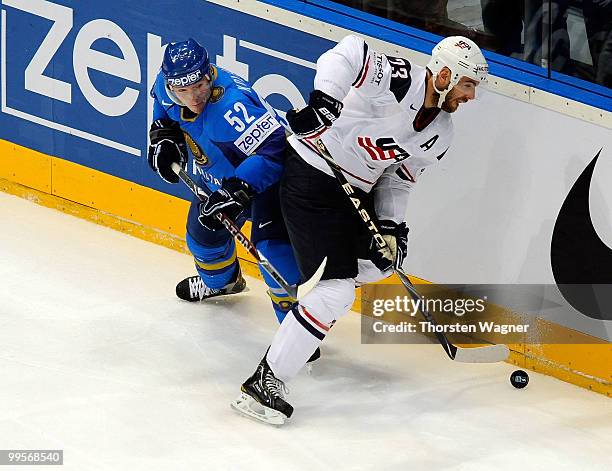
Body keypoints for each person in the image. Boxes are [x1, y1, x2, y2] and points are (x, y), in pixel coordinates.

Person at [231, 34, 489, 425]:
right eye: (469, 84)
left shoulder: (442, 133)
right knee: (337, 291)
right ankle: (266, 381)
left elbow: (399, 179)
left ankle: (315, 296)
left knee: (383, 260)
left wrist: (390, 225)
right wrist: (325, 101)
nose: (471, 96)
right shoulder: (401, 80)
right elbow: (349, 50)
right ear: (447, 74)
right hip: (313, 173)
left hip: (354, 190)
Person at [147, 38, 302, 325]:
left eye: (199, 87)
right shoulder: (165, 84)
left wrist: (238, 189)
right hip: (218, 182)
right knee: (202, 237)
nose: (193, 97)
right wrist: (163, 134)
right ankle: (224, 284)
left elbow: (275, 150)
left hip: (269, 186)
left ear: (208, 75)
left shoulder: (233, 106)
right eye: (183, 90)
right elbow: (162, 107)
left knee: (275, 258)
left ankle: (298, 330)